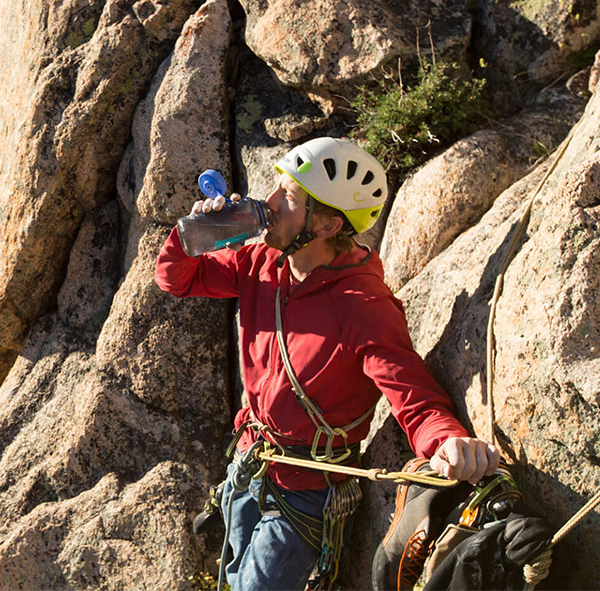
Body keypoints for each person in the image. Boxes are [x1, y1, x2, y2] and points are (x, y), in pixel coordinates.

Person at [154, 137, 499, 591]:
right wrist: (193, 233)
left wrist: (450, 442)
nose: (270, 204)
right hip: (250, 461)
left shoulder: (362, 305)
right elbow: (176, 279)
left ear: (327, 224)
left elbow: (413, 396)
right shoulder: (262, 261)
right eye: (276, 188)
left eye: (289, 198)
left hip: (305, 492)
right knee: (234, 577)